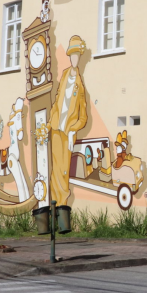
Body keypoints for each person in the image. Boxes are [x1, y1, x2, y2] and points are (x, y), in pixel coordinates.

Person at [49, 36, 88, 207]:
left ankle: (62, 206)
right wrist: (50, 121)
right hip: (56, 127)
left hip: (67, 132)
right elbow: (57, 99)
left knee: (64, 172)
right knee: (55, 170)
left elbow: (83, 117)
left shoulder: (80, 85)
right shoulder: (65, 75)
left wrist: (73, 130)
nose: (74, 59)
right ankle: (53, 205)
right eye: (72, 55)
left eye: (77, 55)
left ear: (80, 57)